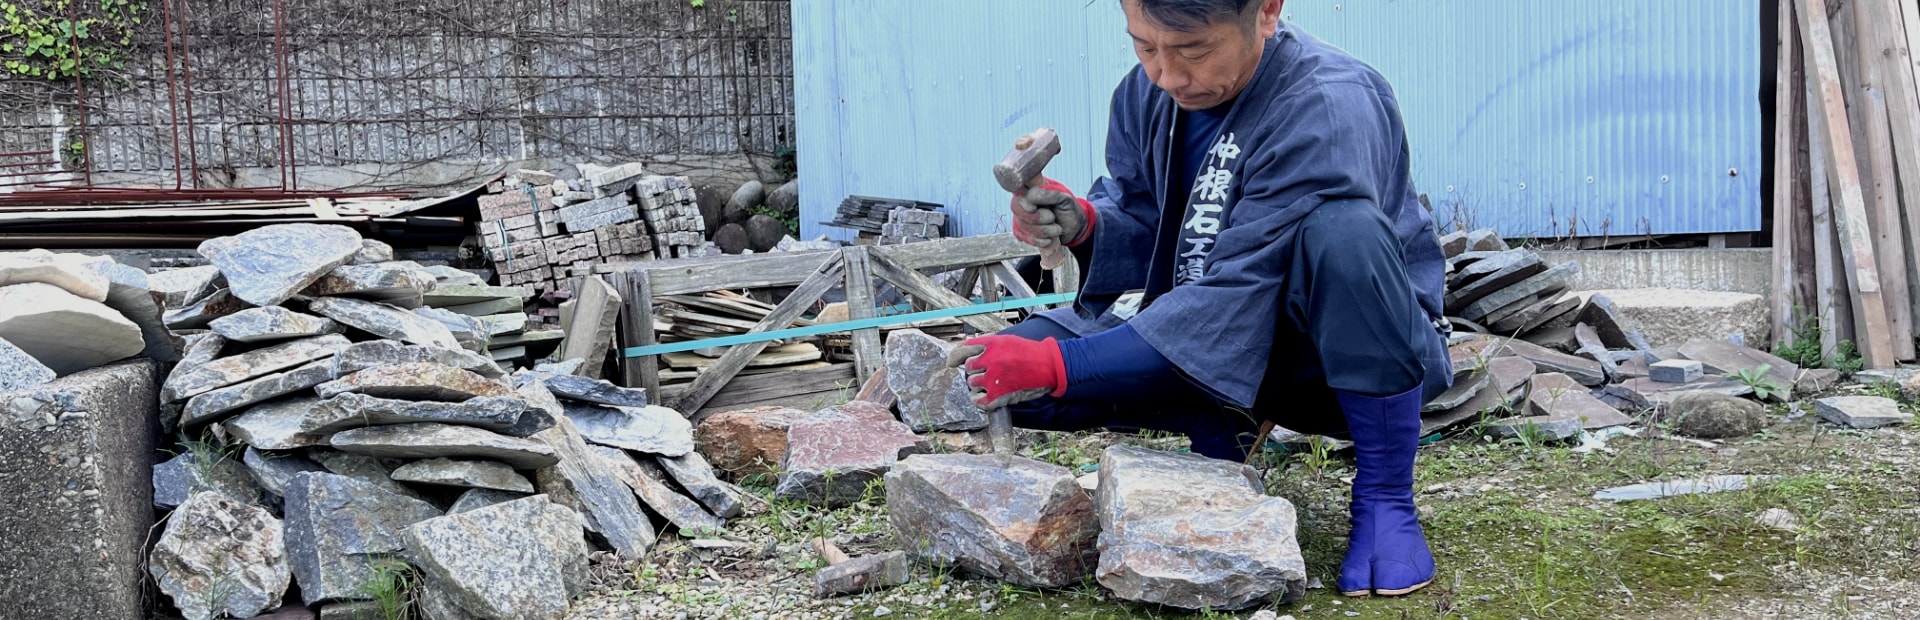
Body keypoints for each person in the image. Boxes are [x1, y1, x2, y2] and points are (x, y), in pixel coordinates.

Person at [948, 0, 1450, 598]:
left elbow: (1242, 287)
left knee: (1345, 235)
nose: (1167, 75)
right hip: (1200, 338)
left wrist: (1065, 366)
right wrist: (1084, 223)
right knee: (981, 372)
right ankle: (1217, 412)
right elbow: (1141, 215)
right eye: (1144, 45)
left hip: (1330, 358)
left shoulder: (1328, 103)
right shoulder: (1146, 94)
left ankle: (1385, 498)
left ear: (1266, 11)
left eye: (1192, 51)